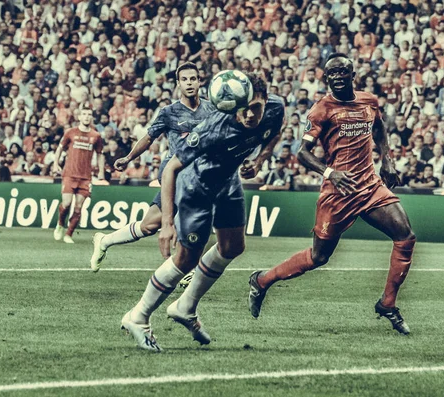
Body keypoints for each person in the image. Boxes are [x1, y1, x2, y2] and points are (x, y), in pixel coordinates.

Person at [248, 53, 416, 335]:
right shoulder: (321, 110)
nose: (337, 77)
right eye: (332, 74)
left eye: (342, 72)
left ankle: (388, 304)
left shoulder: (369, 101)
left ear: (353, 75)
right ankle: (261, 281)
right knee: (318, 257)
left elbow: (379, 128)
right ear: (326, 79)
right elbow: (301, 153)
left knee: (405, 236)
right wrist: (330, 173)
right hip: (338, 192)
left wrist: (387, 159)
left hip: (369, 186)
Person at [120, 73, 285, 351]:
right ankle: (138, 317)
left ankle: (185, 307)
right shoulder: (214, 128)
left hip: (228, 181)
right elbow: (171, 168)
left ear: (265, 101)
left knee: (233, 247)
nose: (248, 115)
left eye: (255, 107)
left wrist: (259, 160)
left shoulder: (276, 108)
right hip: (196, 186)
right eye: (241, 108)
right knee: (185, 259)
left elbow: (274, 132)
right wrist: (167, 224)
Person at [90, 63, 214, 272]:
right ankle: (186, 271)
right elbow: (148, 138)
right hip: (176, 175)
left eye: (193, 79)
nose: (189, 83)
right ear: (178, 84)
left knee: (148, 225)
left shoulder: (211, 109)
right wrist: (128, 158)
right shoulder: (169, 112)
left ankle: (104, 240)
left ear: (200, 81)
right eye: (185, 80)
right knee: (192, 223)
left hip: (200, 176)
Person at [52, 104, 104, 244]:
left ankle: (69, 234)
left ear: (92, 117)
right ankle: (60, 224)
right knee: (67, 203)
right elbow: (60, 148)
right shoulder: (71, 132)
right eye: (84, 114)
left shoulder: (96, 136)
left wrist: (101, 172)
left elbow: (100, 155)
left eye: (89, 114)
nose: (87, 116)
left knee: (79, 207)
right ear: (79, 117)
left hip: (85, 177)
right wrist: (56, 164)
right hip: (69, 174)